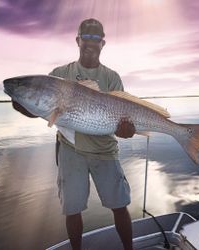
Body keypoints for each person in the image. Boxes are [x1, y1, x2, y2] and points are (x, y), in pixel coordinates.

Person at [12, 19, 135, 250]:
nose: (90, 42)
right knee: (72, 209)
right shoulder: (59, 74)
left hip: (105, 151)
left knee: (119, 205)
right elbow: (41, 108)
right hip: (71, 151)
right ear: (78, 40)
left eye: (95, 38)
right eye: (85, 37)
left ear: (103, 43)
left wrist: (127, 131)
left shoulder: (112, 77)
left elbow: (124, 125)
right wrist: (22, 104)